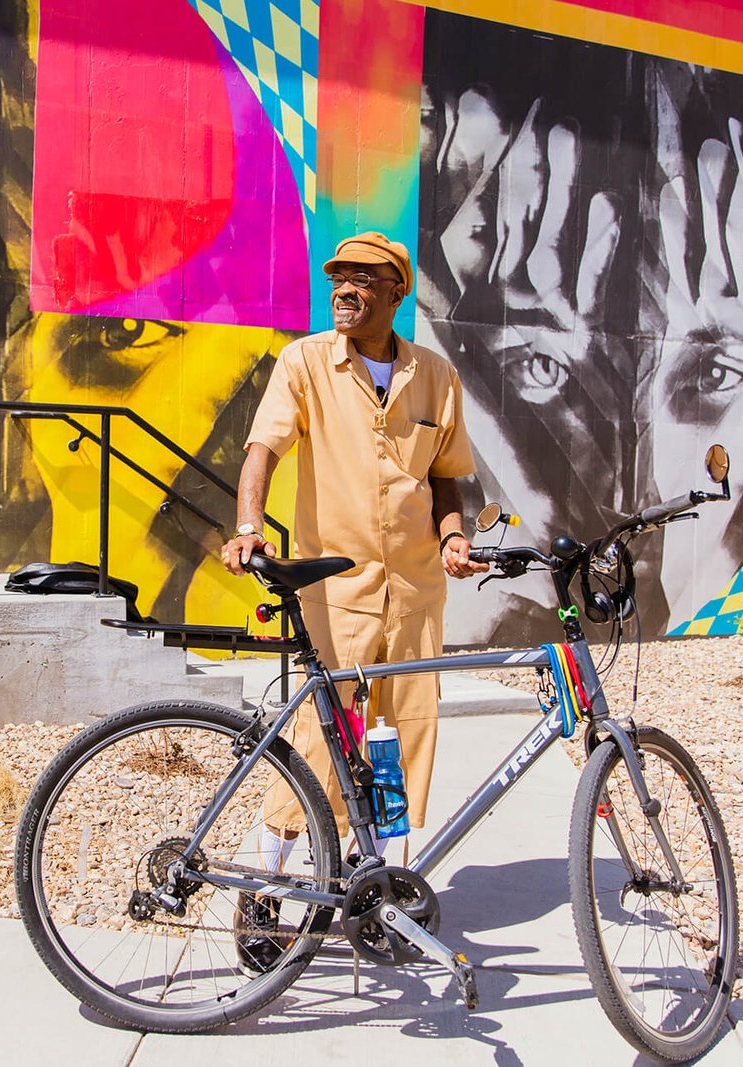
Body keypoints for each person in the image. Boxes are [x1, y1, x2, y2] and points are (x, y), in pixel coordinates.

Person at [220, 231, 487, 969]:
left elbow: (446, 476)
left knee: (402, 735)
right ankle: (266, 885)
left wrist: (455, 535)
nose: (343, 288)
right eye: (337, 277)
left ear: (396, 294)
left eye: (362, 279)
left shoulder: (435, 376)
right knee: (318, 734)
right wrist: (248, 526)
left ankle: (389, 891)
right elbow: (263, 449)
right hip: (335, 588)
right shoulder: (303, 362)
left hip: (415, 589)